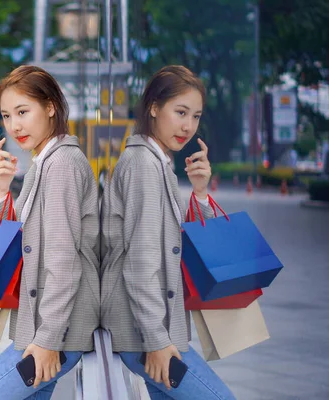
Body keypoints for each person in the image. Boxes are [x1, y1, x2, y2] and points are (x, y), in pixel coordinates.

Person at [0, 65, 100, 399]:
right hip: (43, 328)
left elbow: (64, 261)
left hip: (55, 334)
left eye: (23, 112)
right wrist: (0, 191)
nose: (15, 126)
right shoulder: (43, 163)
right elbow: (8, 238)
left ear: (50, 107)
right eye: (7, 116)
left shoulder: (62, 165)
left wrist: (48, 340)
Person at [100, 65, 236, 399]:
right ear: (154, 107)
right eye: (180, 112)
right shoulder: (144, 165)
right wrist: (157, 342)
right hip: (146, 335)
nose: (188, 126)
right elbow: (140, 261)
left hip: (156, 330)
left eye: (196, 116)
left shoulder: (159, 163)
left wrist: (200, 192)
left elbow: (184, 243)